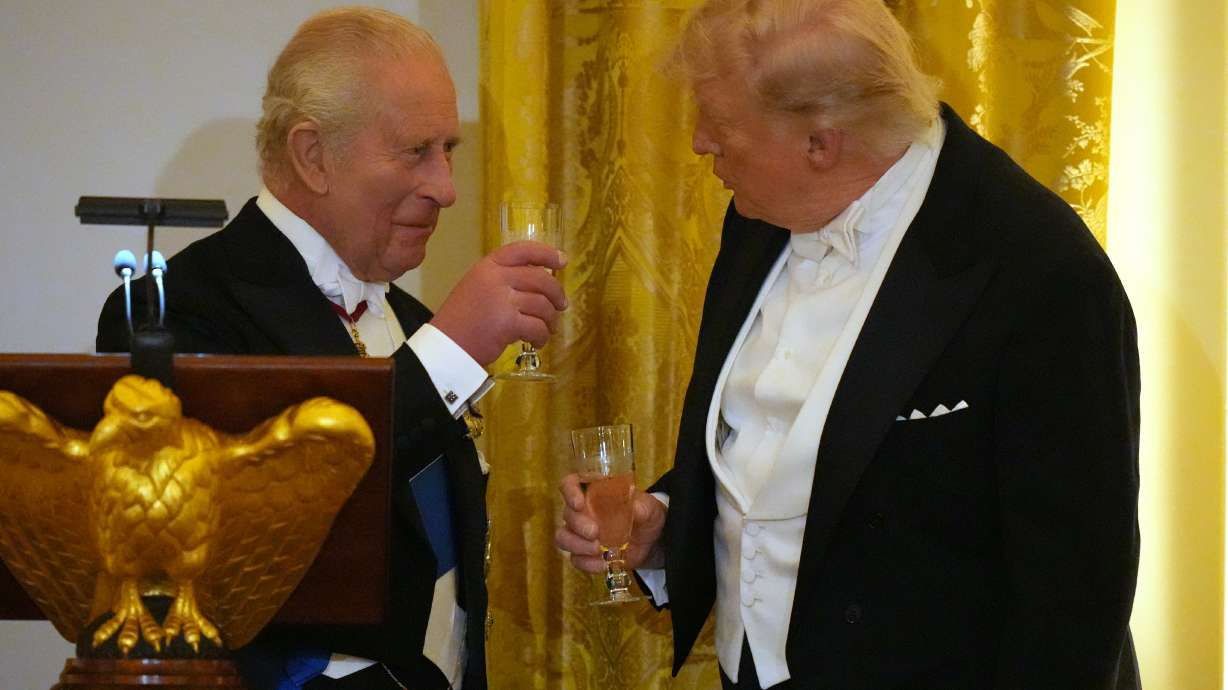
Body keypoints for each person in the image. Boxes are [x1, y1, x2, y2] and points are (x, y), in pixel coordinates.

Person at [555, 1, 1141, 688]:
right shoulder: (760, 215)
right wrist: (670, 525)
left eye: (720, 122)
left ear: (820, 142)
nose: (700, 142)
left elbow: (1075, 593)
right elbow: (785, 447)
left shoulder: (1040, 273)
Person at [97, 7, 567, 689]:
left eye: (449, 150)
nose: (446, 188)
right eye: (416, 151)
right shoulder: (174, 311)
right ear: (312, 154)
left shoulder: (411, 317)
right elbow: (241, 540)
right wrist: (451, 352)